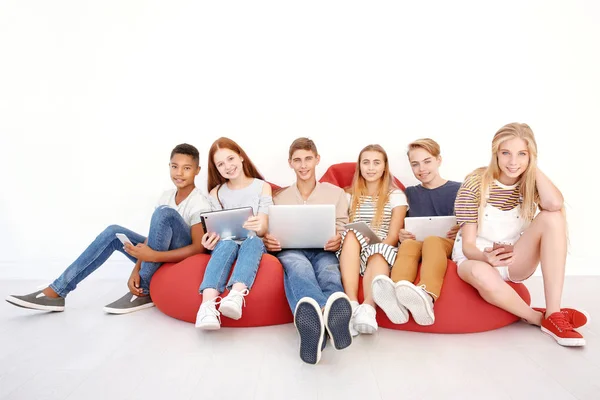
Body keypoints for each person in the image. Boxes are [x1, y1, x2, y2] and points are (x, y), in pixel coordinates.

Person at [6, 144, 211, 314]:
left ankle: (144, 290)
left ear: (197, 171)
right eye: (175, 167)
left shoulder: (199, 202)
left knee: (164, 213)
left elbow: (197, 249)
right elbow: (155, 237)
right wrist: (136, 268)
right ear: (169, 167)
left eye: (186, 168)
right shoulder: (166, 195)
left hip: (180, 261)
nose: (179, 173)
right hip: (156, 255)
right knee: (114, 232)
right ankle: (57, 291)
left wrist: (153, 257)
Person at [452, 122, 587, 346]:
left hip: (513, 257)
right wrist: (485, 257)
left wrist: (532, 167)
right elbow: (467, 245)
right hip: (475, 258)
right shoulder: (475, 183)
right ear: (495, 153)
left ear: (531, 156)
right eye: (506, 153)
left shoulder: (530, 182)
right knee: (481, 273)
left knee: (552, 217)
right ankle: (538, 318)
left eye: (522, 154)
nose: (513, 162)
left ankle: (554, 312)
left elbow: (554, 203)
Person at [263, 137, 352, 365]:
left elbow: (342, 224)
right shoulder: (278, 197)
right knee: (299, 267)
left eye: (308, 159)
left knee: (329, 270)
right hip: (291, 249)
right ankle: (325, 313)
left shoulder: (336, 193)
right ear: (290, 163)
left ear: (317, 159)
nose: (303, 165)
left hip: (324, 247)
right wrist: (269, 241)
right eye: (297, 160)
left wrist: (338, 238)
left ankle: (322, 327)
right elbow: (269, 229)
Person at [372, 138, 460, 326]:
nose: (422, 168)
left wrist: (461, 228)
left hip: (446, 243)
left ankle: (427, 295)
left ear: (439, 160)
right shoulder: (410, 193)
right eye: (415, 164)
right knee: (409, 245)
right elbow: (405, 223)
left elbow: (472, 222)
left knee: (432, 241)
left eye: (427, 161)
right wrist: (403, 234)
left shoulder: (458, 189)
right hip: (417, 243)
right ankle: (396, 293)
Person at [194, 137, 273, 330]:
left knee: (253, 240)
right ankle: (206, 308)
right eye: (220, 164)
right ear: (216, 168)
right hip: (226, 243)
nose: (228, 166)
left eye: (230, 159)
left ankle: (236, 296)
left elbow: (264, 227)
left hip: (254, 242)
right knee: (227, 244)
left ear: (241, 156)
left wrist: (258, 225)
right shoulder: (216, 193)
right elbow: (213, 229)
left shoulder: (262, 186)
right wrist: (209, 240)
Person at [338, 144, 408, 335]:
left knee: (379, 251)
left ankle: (368, 309)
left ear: (385, 167)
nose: (370, 168)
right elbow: (340, 226)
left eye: (376, 163)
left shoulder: (396, 196)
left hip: (384, 248)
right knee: (351, 233)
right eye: (366, 162)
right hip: (353, 250)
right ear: (359, 166)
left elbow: (393, 236)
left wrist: (377, 247)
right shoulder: (348, 195)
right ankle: (352, 303)